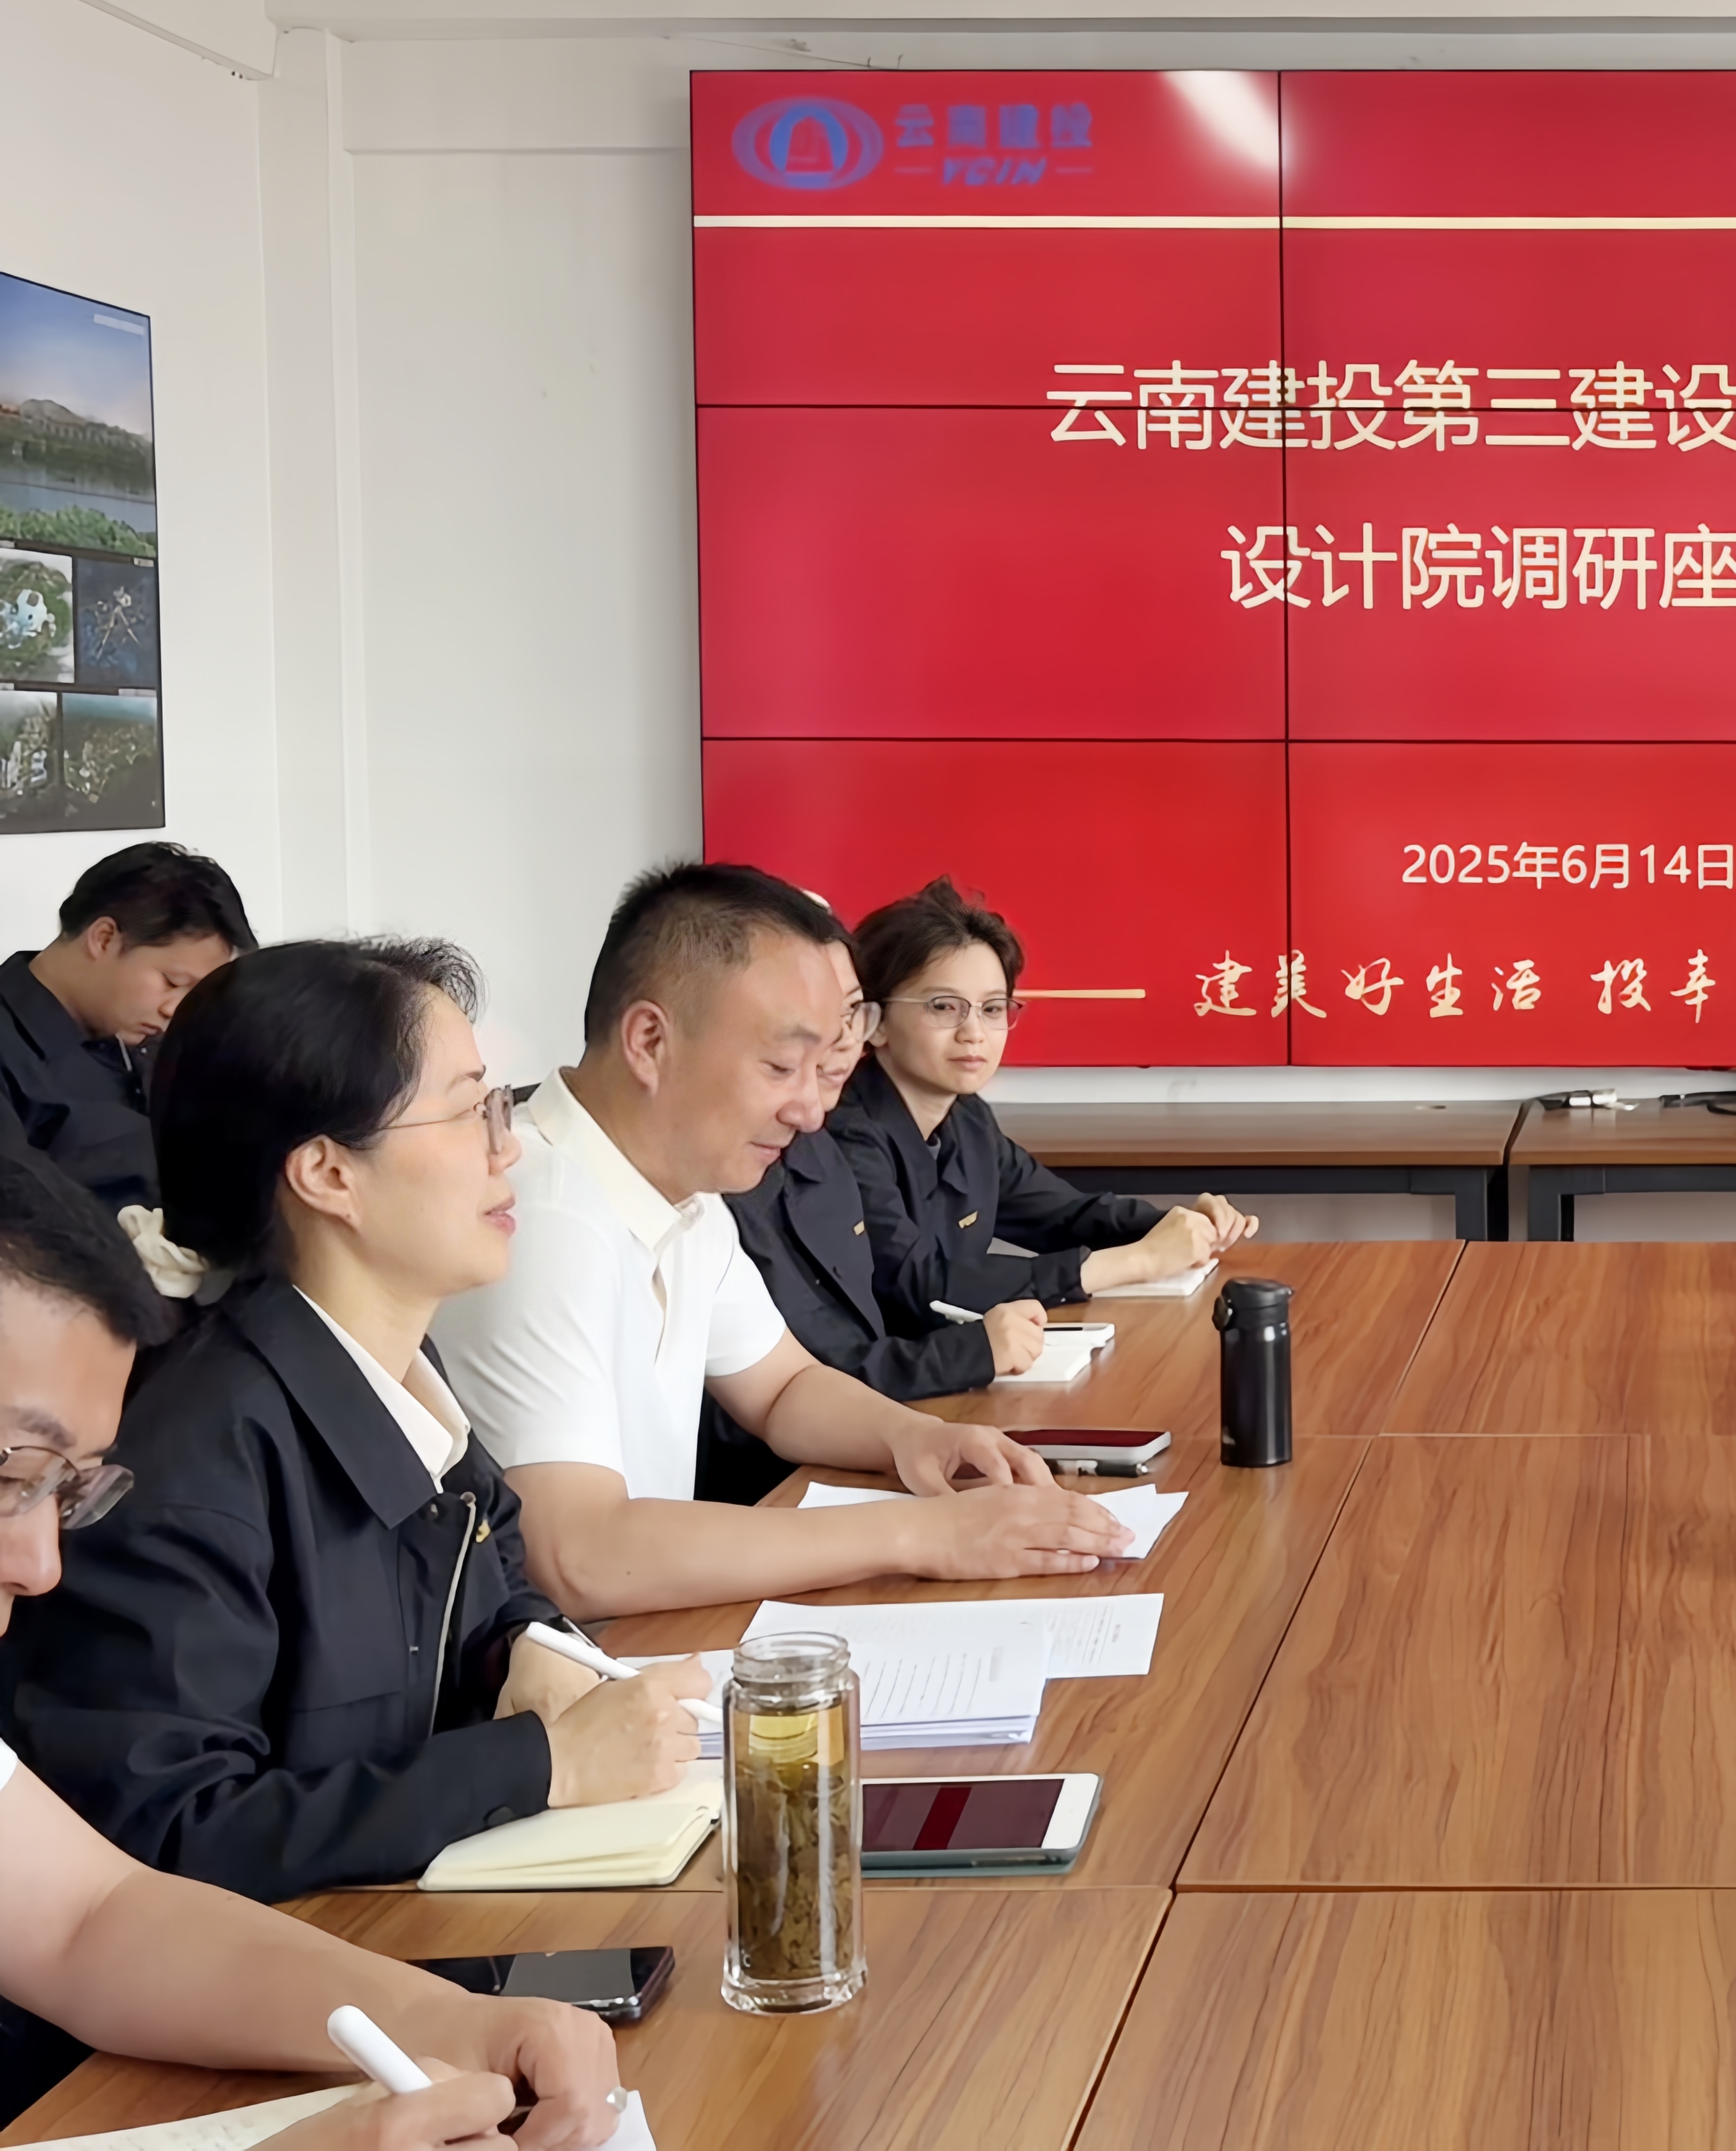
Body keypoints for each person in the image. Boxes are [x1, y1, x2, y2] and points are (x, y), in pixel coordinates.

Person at [1, 940, 708, 1902]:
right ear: (328, 1173)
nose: (507, 1148)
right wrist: (544, 1764)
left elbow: (492, 1573)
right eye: (469, 1112)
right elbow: (164, 1835)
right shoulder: (191, 1460)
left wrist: (529, 1645)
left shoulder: (397, 1366)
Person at [0, 1153, 623, 2147]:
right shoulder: (214, 1432)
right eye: (13, 1477)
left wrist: (456, 2024)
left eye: (69, 1493)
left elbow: (89, 1917)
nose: (41, 1564)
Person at [428, 864, 1134, 1619]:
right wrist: (924, 1534)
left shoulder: (686, 1195)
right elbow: (578, 1554)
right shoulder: (539, 1211)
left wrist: (919, 1440)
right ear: (648, 1041)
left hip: (646, 1633)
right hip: (565, 1664)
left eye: (821, 1065)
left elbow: (783, 1388)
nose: (810, 1111)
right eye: (780, 1066)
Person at [704, 929, 1051, 1505]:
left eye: (851, 1014)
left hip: (844, 1453)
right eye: (945, 1007)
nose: (843, 1041)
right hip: (759, 1492)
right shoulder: (728, 1177)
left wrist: (923, 1439)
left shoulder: (820, 1148)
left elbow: (791, 1386)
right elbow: (908, 1290)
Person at [833, 879, 1252, 1333]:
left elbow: (1065, 1217)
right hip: (869, 1369)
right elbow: (915, 1282)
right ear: (873, 1022)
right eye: (944, 1007)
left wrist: (1179, 1226)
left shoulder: (967, 1118)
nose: (974, 1032)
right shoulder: (842, 1133)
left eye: (993, 1009)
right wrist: (1137, 1261)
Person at [0, 842, 252, 1212]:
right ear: (103, 939)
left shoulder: (151, 1039)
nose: (175, 1009)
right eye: (172, 981)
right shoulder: (11, 1052)